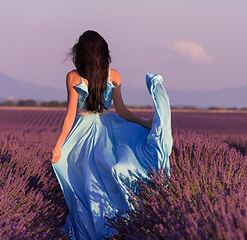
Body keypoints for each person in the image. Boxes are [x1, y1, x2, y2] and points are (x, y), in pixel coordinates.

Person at [51, 30, 173, 239]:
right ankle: (114, 229)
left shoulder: (73, 77)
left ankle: (90, 231)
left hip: (81, 136)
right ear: (103, 52)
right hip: (107, 132)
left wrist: (58, 146)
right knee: (107, 184)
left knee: (86, 186)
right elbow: (122, 111)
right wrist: (143, 123)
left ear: (80, 53)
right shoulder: (113, 75)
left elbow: (70, 115)